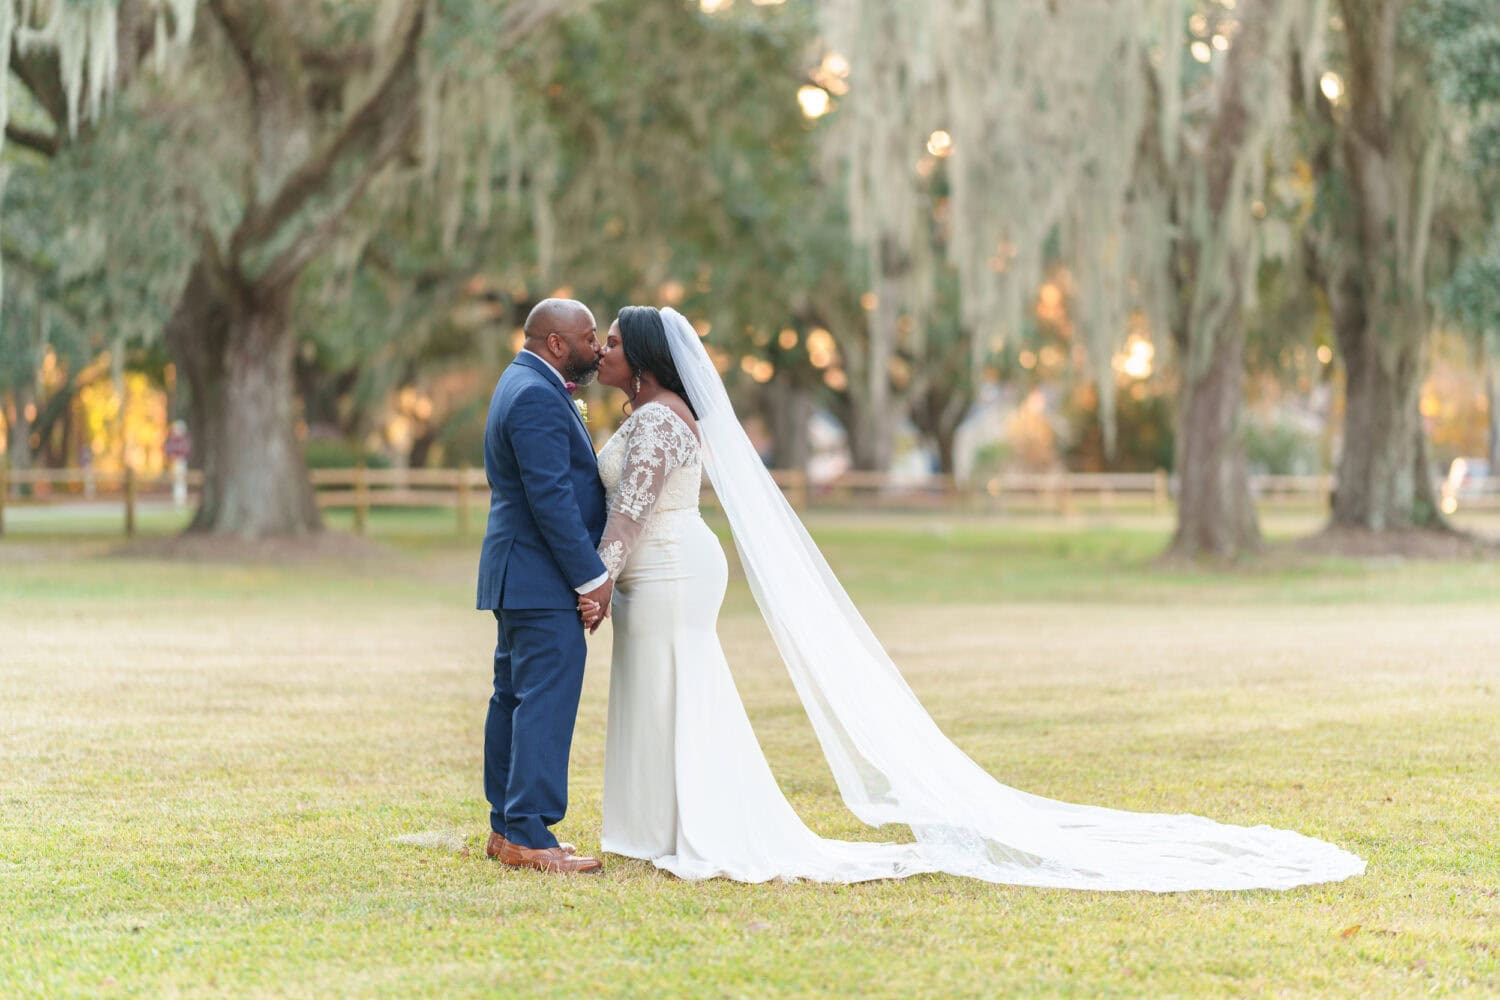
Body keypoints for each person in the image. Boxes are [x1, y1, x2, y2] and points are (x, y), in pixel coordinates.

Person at [578, 305, 1366, 889]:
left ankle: (689, 826)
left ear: (643, 359)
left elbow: (633, 510)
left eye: (611, 341)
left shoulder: (657, 422)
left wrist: (601, 577)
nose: (600, 349)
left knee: (674, 690)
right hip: (668, 566)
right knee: (666, 692)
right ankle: (663, 823)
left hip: (668, 568)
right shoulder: (655, 412)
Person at [475, 298, 613, 875]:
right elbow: (550, 499)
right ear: (557, 343)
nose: (598, 347)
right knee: (544, 700)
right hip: (539, 575)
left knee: (514, 695)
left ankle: (507, 829)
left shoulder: (524, 382)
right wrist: (593, 576)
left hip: (521, 574)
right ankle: (529, 833)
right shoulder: (534, 394)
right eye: (589, 337)